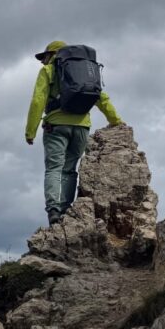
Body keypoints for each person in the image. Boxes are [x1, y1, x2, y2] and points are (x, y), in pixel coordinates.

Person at [25, 40, 124, 225]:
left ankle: (54, 210)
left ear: (52, 54)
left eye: (44, 57)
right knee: (69, 170)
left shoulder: (49, 71)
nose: (42, 61)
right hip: (81, 126)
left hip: (56, 125)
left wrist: (30, 131)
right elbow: (100, 97)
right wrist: (116, 121)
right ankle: (65, 209)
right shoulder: (85, 71)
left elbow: (38, 100)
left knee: (54, 168)